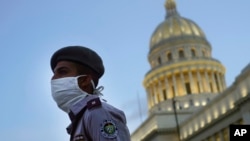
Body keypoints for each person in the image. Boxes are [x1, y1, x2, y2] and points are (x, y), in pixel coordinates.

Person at [50, 45, 131, 141]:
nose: (53, 79)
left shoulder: (97, 113)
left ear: (85, 80)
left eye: (63, 72)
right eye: (54, 73)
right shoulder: (81, 118)